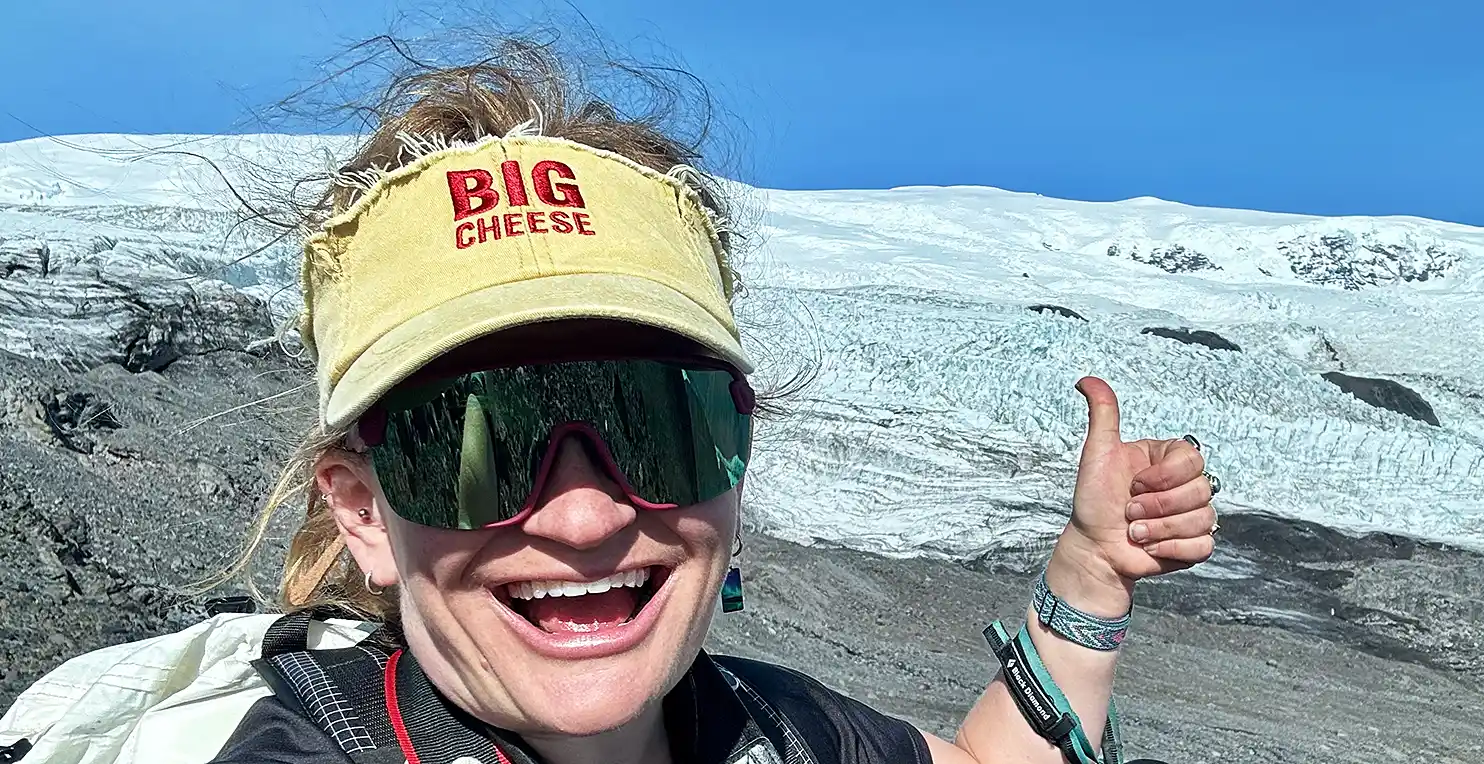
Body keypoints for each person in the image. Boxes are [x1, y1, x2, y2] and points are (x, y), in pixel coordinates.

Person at [183, 41, 1222, 764]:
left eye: (659, 427)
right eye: (470, 448)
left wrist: (1090, 575)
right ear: (363, 512)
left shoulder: (772, 726)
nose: (582, 518)